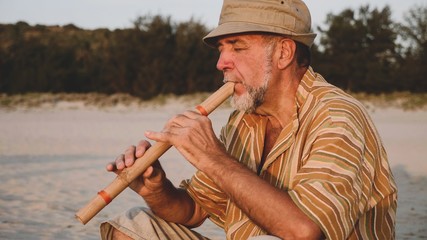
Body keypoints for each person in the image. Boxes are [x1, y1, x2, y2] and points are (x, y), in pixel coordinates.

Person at [100, 0, 397, 239]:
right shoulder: (243, 120)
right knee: (132, 226)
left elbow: (305, 231)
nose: (221, 63)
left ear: (283, 53)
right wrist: (156, 189)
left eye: (237, 47)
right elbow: (192, 211)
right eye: (221, 49)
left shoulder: (337, 116)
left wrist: (211, 156)